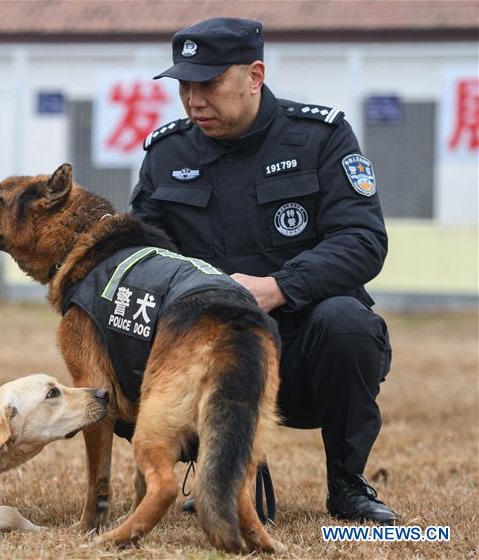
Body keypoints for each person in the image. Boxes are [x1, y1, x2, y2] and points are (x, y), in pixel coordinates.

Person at [130, 17, 396, 523]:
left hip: (301, 355)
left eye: (209, 84)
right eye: (184, 87)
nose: (194, 100)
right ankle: (212, 472)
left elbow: (363, 240)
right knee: (129, 324)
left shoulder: (319, 137)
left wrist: (278, 287)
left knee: (348, 323)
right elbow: (144, 256)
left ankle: (347, 484)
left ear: (254, 76)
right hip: (208, 354)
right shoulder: (167, 154)